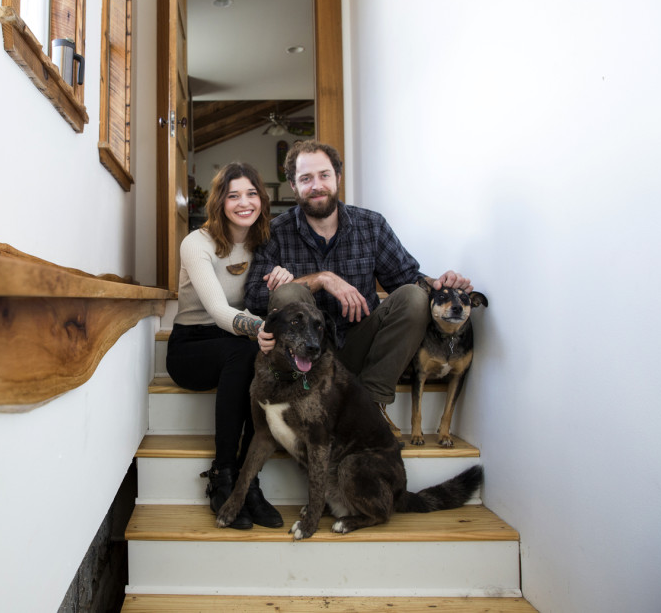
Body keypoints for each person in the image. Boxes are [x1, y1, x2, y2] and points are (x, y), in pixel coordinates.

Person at [244, 140, 473, 430]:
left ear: (338, 177)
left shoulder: (371, 225)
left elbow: (406, 278)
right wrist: (322, 278)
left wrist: (439, 283)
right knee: (288, 292)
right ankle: (304, 401)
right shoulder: (275, 232)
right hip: (306, 356)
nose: (317, 185)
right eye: (306, 178)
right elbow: (254, 298)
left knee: (415, 297)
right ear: (293, 184)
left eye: (324, 175)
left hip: (360, 347)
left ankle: (371, 402)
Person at [166, 163, 292, 530]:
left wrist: (285, 278)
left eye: (252, 194)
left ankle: (248, 481)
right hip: (192, 345)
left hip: (238, 341)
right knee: (247, 352)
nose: (244, 202)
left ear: (262, 199)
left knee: (255, 356)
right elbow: (220, 310)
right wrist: (258, 327)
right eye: (234, 195)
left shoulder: (266, 243)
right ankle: (224, 474)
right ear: (220, 202)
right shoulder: (197, 243)